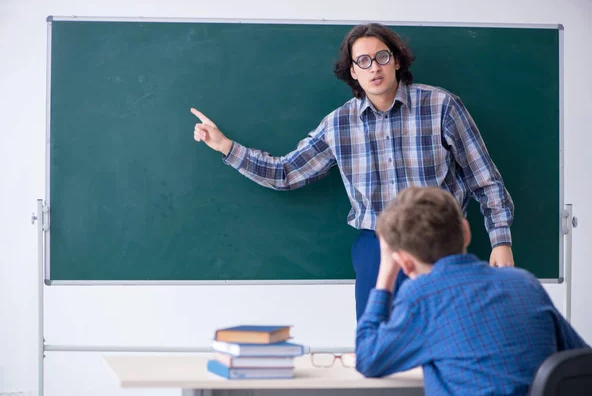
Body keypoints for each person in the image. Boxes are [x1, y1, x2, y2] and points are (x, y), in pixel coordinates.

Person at [190, 23, 514, 321]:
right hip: (376, 248)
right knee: (377, 352)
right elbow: (286, 172)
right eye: (363, 61)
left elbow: (484, 179)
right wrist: (225, 146)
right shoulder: (338, 125)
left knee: (446, 340)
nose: (374, 67)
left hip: (439, 247)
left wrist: (501, 240)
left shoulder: (442, 106)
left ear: (397, 61)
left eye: (382, 57)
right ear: (352, 72)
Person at [355, 186, 588, 395]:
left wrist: (386, 271)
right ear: (466, 231)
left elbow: (368, 359)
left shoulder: (421, 296)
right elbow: (581, 361)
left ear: (404, 263)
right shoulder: (524, 282)